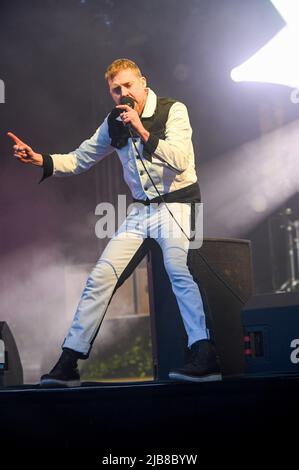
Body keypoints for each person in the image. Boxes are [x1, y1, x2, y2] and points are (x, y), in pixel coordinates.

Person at [8, 58, 221, 387]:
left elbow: (181, 160)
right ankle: (70, 362)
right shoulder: (113, 122)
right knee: (100, 277)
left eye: (127, 85)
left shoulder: (173, 110)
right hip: (141, 210)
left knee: (180, 272)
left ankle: (205, 355)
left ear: (143, 83)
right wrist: (41, 159)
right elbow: (81, 158)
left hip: (179, 204)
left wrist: (141, 129)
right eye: (115, 90)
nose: (123, 93)